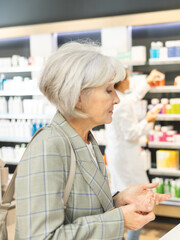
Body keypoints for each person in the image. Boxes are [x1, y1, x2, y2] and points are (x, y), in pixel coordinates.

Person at [15, 42, 170, 239]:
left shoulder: (86, 140)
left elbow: (78, 209)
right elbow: (41, 237)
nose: (117, 99)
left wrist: (118, 200)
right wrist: (119, 219)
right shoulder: (49, 146)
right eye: (108, 90)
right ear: (78, 96)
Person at [105, 68, 163, 240]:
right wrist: (148, 119)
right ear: (121, 81)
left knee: (125, 199)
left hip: (118, 155)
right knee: (139, 202)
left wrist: (147, 82)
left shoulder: (118, 99)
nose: (130, 82)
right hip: (127, 160)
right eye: (128, 78)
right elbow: (131, 134)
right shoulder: (122, 103)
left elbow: (132, 97)